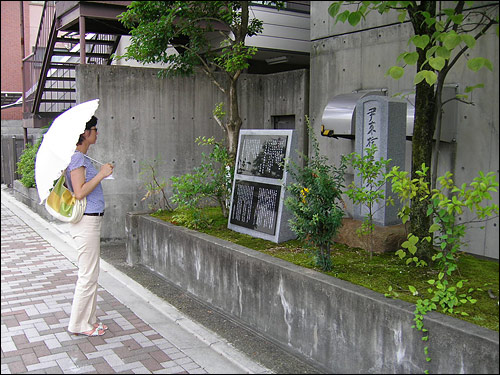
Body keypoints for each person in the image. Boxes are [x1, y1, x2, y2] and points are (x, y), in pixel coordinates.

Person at [65, 115, 114, 337]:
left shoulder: (82, 158)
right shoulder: (77, 159)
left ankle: (89, 320)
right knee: (87, 275)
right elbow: (79, 192)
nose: (97, 133)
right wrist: (102, 174)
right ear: (85, 133)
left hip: (91, 220)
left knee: (91, 274)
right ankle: (78, 324)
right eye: (95, 129)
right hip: (86, 221)